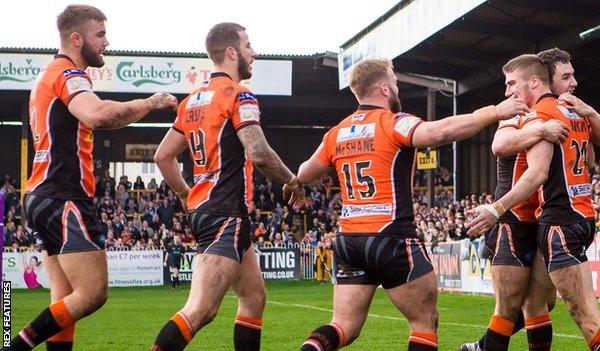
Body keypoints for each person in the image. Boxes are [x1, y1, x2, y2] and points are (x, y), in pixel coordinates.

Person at [289, 58, 529, 351]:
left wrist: (298, 186)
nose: (396, 85)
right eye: (394, 80)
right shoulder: (394, 122)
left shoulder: (336, 133)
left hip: (348, 239)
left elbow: (304, 173)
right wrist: (494, 112)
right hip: (390, 235)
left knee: (343, 326)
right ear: (384, 88)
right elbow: (441, 132)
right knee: (424, 322)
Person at [7, 5, 177, 351]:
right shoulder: (68, 73)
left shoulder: (45, 76)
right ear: (76, 38)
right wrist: (150, 102)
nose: (106, 42)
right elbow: (97, 114)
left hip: (41, 194)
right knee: (93, 293)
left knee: (65, 299)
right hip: (63, 195)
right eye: (100, 34)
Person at [150, 22, 304, 351]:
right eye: (249, 45)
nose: (254, 52)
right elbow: (259, 153)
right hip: (225, 214)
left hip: (211, 210)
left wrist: (185, 194)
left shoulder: (192, 100)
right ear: (232, 52)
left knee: (254, 298)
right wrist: (293, 181)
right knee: (201, 310)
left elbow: (163, 156)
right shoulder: (238, 94)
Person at [461, 48, 600, 351]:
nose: (573, 83)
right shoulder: (526, 111)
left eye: (510, 83)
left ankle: (482, 347)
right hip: (521, 217)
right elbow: (500, 144)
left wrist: (579, 115)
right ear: (544, 79)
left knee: (555, 305)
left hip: (553, 218)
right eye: (566, 76)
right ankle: (482, 347)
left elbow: (543, 172)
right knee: (530, 303)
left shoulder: (566, 111)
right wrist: (541, 129)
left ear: (535, 81)